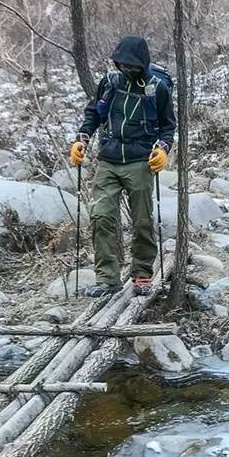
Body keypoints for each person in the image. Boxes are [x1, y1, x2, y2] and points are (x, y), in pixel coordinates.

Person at [70, 36, 176, 297]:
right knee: (101, 216)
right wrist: (81, 139)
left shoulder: (157, 88)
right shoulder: (110, 82)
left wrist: (163, 149)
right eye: (122, 64)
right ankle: (107, 279)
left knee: (141, 220)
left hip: (140, 160)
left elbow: (168, 126)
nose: (126, 69)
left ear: (142, 63)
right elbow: (94, 112)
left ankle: (142, 274)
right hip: (108, 158)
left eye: (131, 65)